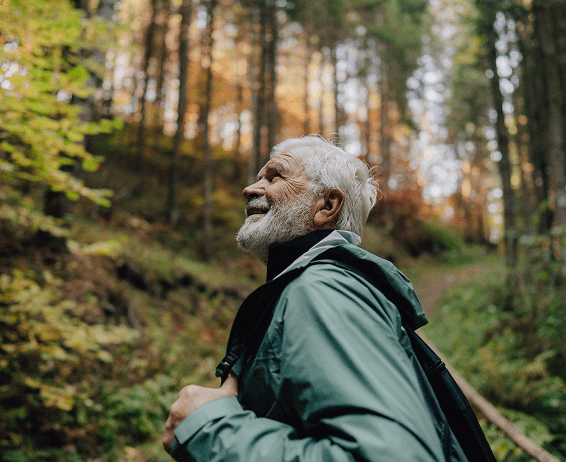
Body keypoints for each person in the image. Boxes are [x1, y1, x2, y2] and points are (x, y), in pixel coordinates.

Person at [162, 136, 445, 461]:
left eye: (274, 176)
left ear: (327, 206)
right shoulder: (316, 286)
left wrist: (207, 428)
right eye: (258, 178)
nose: (250, 188)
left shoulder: (323, 290)